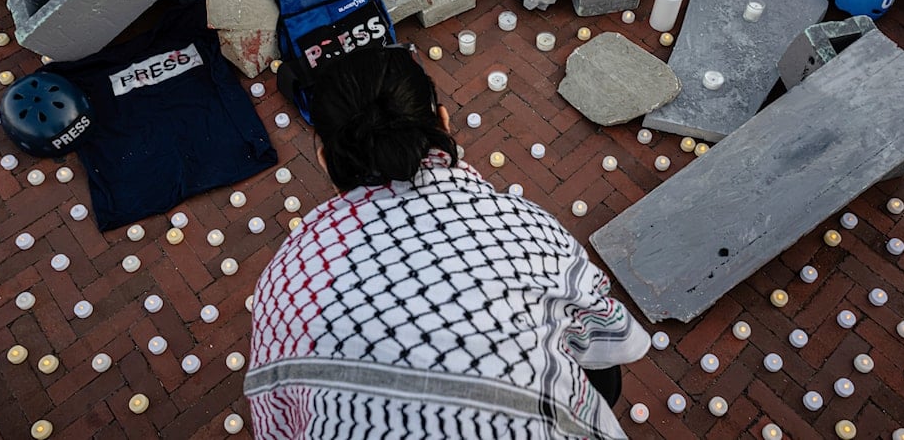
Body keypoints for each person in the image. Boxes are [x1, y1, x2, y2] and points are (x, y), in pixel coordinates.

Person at [245, 45, 650, 439]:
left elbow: (280, 417)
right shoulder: (523, 227)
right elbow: (603, 331)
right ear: (443, 120)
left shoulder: (285, 280)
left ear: (323, 159)